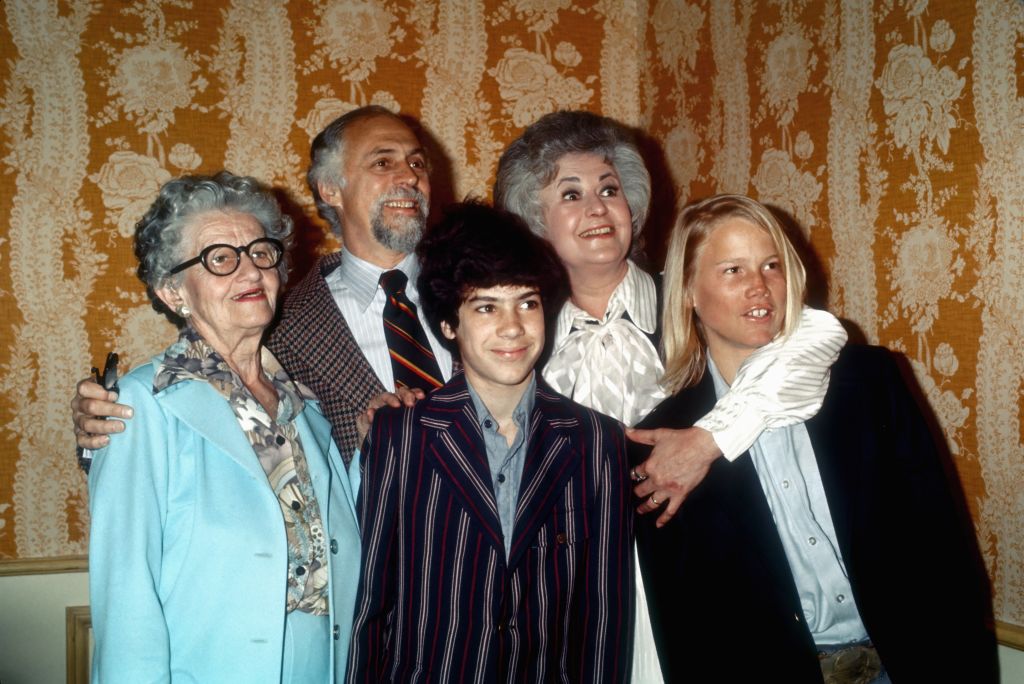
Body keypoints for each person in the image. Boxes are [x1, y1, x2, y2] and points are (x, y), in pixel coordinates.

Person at [493, 109, 848, 683]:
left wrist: (710, 439)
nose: (597, 208)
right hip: (578, 601)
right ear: (535, 219)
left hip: (717, 592)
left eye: (610, 189)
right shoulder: (520, 337)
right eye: (571, 194)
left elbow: (816, 333)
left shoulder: (696, 300)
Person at [631, 194, 998, 683]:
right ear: (688, 292)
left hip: (911, 662)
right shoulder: (664, 443)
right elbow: (682, 619)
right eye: (733, 270)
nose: (759, 286)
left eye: (772, 266)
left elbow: (942, 546)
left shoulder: (869, 381)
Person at [87, 172, 362, 682]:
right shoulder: (142, 405)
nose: (250, 270)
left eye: (260, 252)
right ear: (173, 290)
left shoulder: (303, 406)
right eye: (219, 258)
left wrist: (371, 449)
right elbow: (125, 588)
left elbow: (335, 542)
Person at [348, 202, 633, 682]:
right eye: (486, 307)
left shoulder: (596, 442)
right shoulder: (402, 436)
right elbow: (372, 605)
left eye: (527, 303)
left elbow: (604, 618)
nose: (512, 326)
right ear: (448, 324)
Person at [72, 105, 450, 461]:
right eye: (383, 162)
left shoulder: (477, 290)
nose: (409, 177)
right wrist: (108, 427)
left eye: (417, 163)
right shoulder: (272, 328)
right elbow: (190, 423)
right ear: (330, 188)